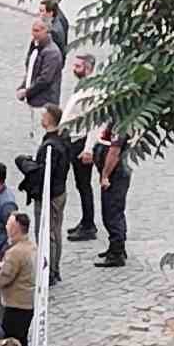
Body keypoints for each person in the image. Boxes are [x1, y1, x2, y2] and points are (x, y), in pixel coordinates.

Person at [16, 103, 69, 284]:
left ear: (49, 119)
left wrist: (25, 164)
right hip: (58, 191)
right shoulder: (60, 139)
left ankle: (50, 271)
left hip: (50, 195)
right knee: (55, 231)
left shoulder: (51, 146)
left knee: (47, 233)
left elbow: (43, 174)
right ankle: (54, 269)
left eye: (43, 115)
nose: (40, 118)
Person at [0, 213, 36, 346]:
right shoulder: (30, 246)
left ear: (16, 228)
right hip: (27, 302)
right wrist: (3, 265)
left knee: (12, 343)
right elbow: (18, 268)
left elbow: (1, 280)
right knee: (21, 340)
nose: (6, 226)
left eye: (9, 224)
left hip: (16, 304)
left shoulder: (15, 252)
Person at [62, 53, 99, 242]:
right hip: (74, 139)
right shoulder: (82, 86)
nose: (74, 69)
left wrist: (88, 149)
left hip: (81, 142)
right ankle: (85, 221)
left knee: (84, 185)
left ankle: (89, 225)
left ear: (88, 68)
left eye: (78, 66)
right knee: (80, 184)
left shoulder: (92, 91)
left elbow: (95, 123)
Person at [86, 118, 131, 268]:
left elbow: (114, 152)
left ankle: (116, 253)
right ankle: (117, 248)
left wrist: (105, 175)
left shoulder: (121, 124)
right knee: (113, 211)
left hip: (115, 175)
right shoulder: (117, 121)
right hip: (115, 173)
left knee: (112, 213)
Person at [18, 17, 63, 109]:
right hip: (33, 99)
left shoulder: (52, 53)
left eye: (37, 31)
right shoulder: (35, 45)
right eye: (33, 30)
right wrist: (22, 87)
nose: (33, 34)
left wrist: (26, 92)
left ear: (46, 31)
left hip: (45, 103)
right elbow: (30, 70)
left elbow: (45, 79)